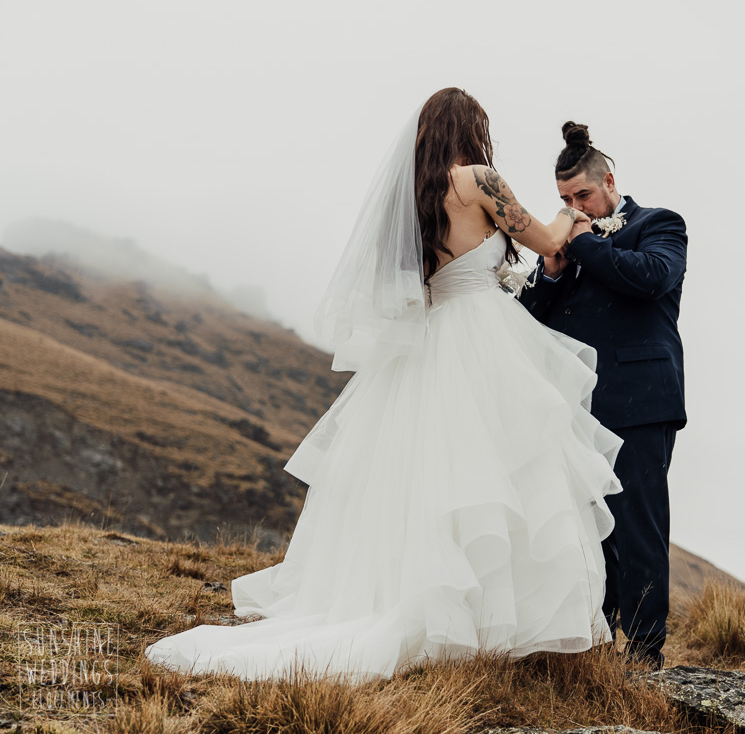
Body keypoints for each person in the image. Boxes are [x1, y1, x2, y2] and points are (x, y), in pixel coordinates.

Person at [143, 88, 624, 684]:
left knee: (438, 477)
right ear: (470, 130)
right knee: (501, 471)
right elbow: (546, 241)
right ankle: (493, 627)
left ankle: (453, 616)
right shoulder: (477, 179)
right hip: (480, 336)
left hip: (434, 341)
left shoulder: (417, 198)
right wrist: (573, 217)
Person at [519, 122, 686, 670]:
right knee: (588, 531)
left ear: (609, 182)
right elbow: (524, 321)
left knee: (638, 527)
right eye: (564, 200)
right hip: (576, 410)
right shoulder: (567, 248)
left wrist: (586, 243)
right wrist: (550, 272)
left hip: (640, 402)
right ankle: (593, 644)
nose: (573, 209)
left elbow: (652, 277)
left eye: (582, 196)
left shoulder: (658, 224)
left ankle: (643, 654)